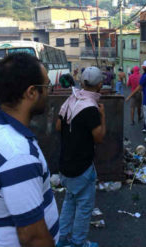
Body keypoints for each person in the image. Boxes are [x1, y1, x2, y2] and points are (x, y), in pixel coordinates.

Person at [0, 53, 59, 247]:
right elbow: (33, 238)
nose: (49, 92)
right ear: (31, 92)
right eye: (47, 86)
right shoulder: (18, 155)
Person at [56, 67, 106, 247]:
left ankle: (61, 240)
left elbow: (57, 126)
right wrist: (102, 116)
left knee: (69, 203)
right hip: (82, 167)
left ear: (83, 83)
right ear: (100, 85)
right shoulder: (91, 108)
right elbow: (99, 137)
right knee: (84, 208)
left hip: (65, 165)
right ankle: (78, 243)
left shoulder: (71, 100)